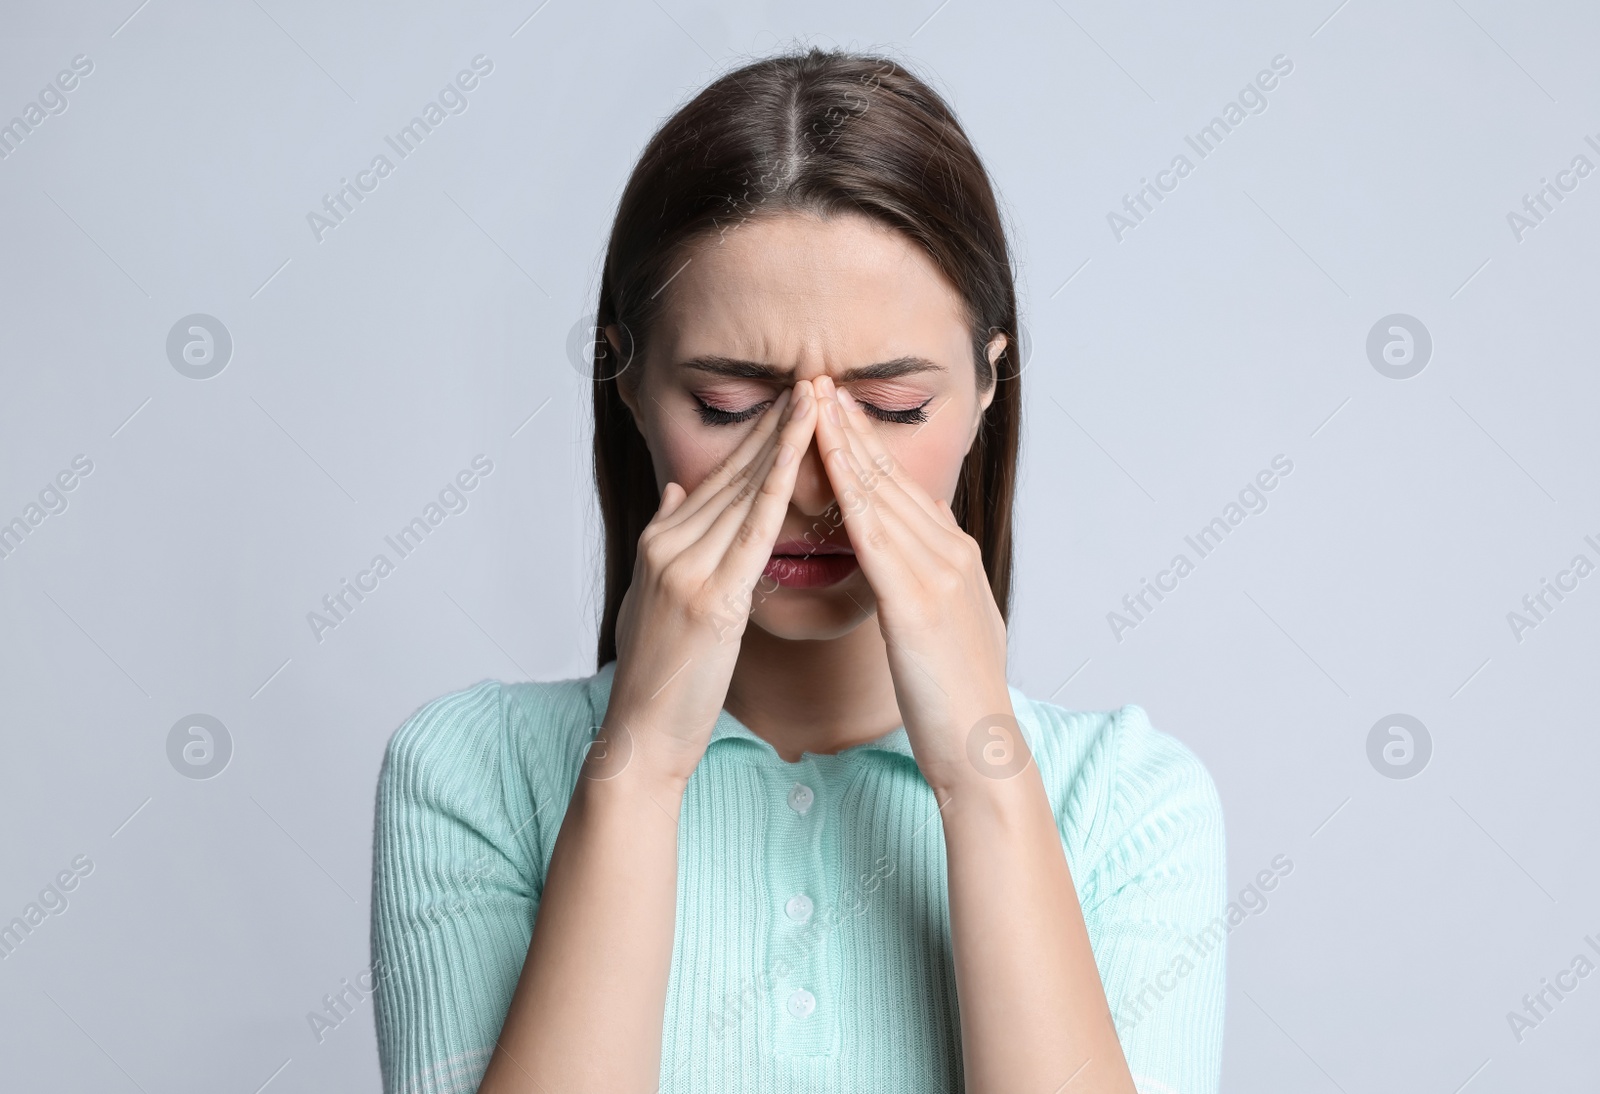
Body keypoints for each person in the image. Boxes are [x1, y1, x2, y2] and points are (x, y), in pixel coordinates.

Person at [371, 46, 1226, 1094]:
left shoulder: (1129, 805)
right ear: (627, 382)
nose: (812, 477)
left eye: (892, 407)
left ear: (988, 385)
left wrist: (982, 775)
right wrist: (636, 769)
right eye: (731, 407)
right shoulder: (472, 775)